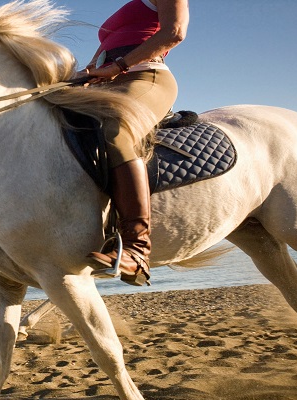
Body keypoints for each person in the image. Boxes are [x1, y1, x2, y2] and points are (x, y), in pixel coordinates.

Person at [82, 0, 189, 286]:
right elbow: (100, 58)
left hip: (146, 76)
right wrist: (86, 73)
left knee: (115, 131)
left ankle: (137, 249)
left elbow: (174, 32)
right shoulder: (129, 6)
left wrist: (118, 66)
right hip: (109, 80)